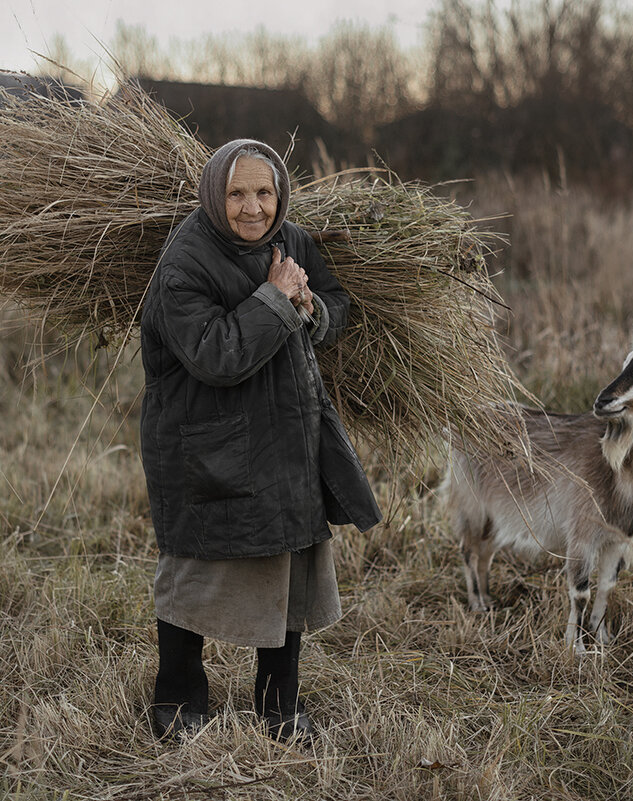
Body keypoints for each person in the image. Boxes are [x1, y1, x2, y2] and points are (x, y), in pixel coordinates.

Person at [139, 138, 381, 742]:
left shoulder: (292, 241)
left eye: (265, 192)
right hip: (208, 444)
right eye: (238, 193)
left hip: (287, 434)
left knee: (288, 565)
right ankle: (178, 699)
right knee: (196, 568)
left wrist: (309, 306)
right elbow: (215, 354)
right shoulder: (184, 265)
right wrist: (274, 298)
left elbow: (335, 303)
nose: (253, 208)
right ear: (214, 196)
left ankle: (280, 707)